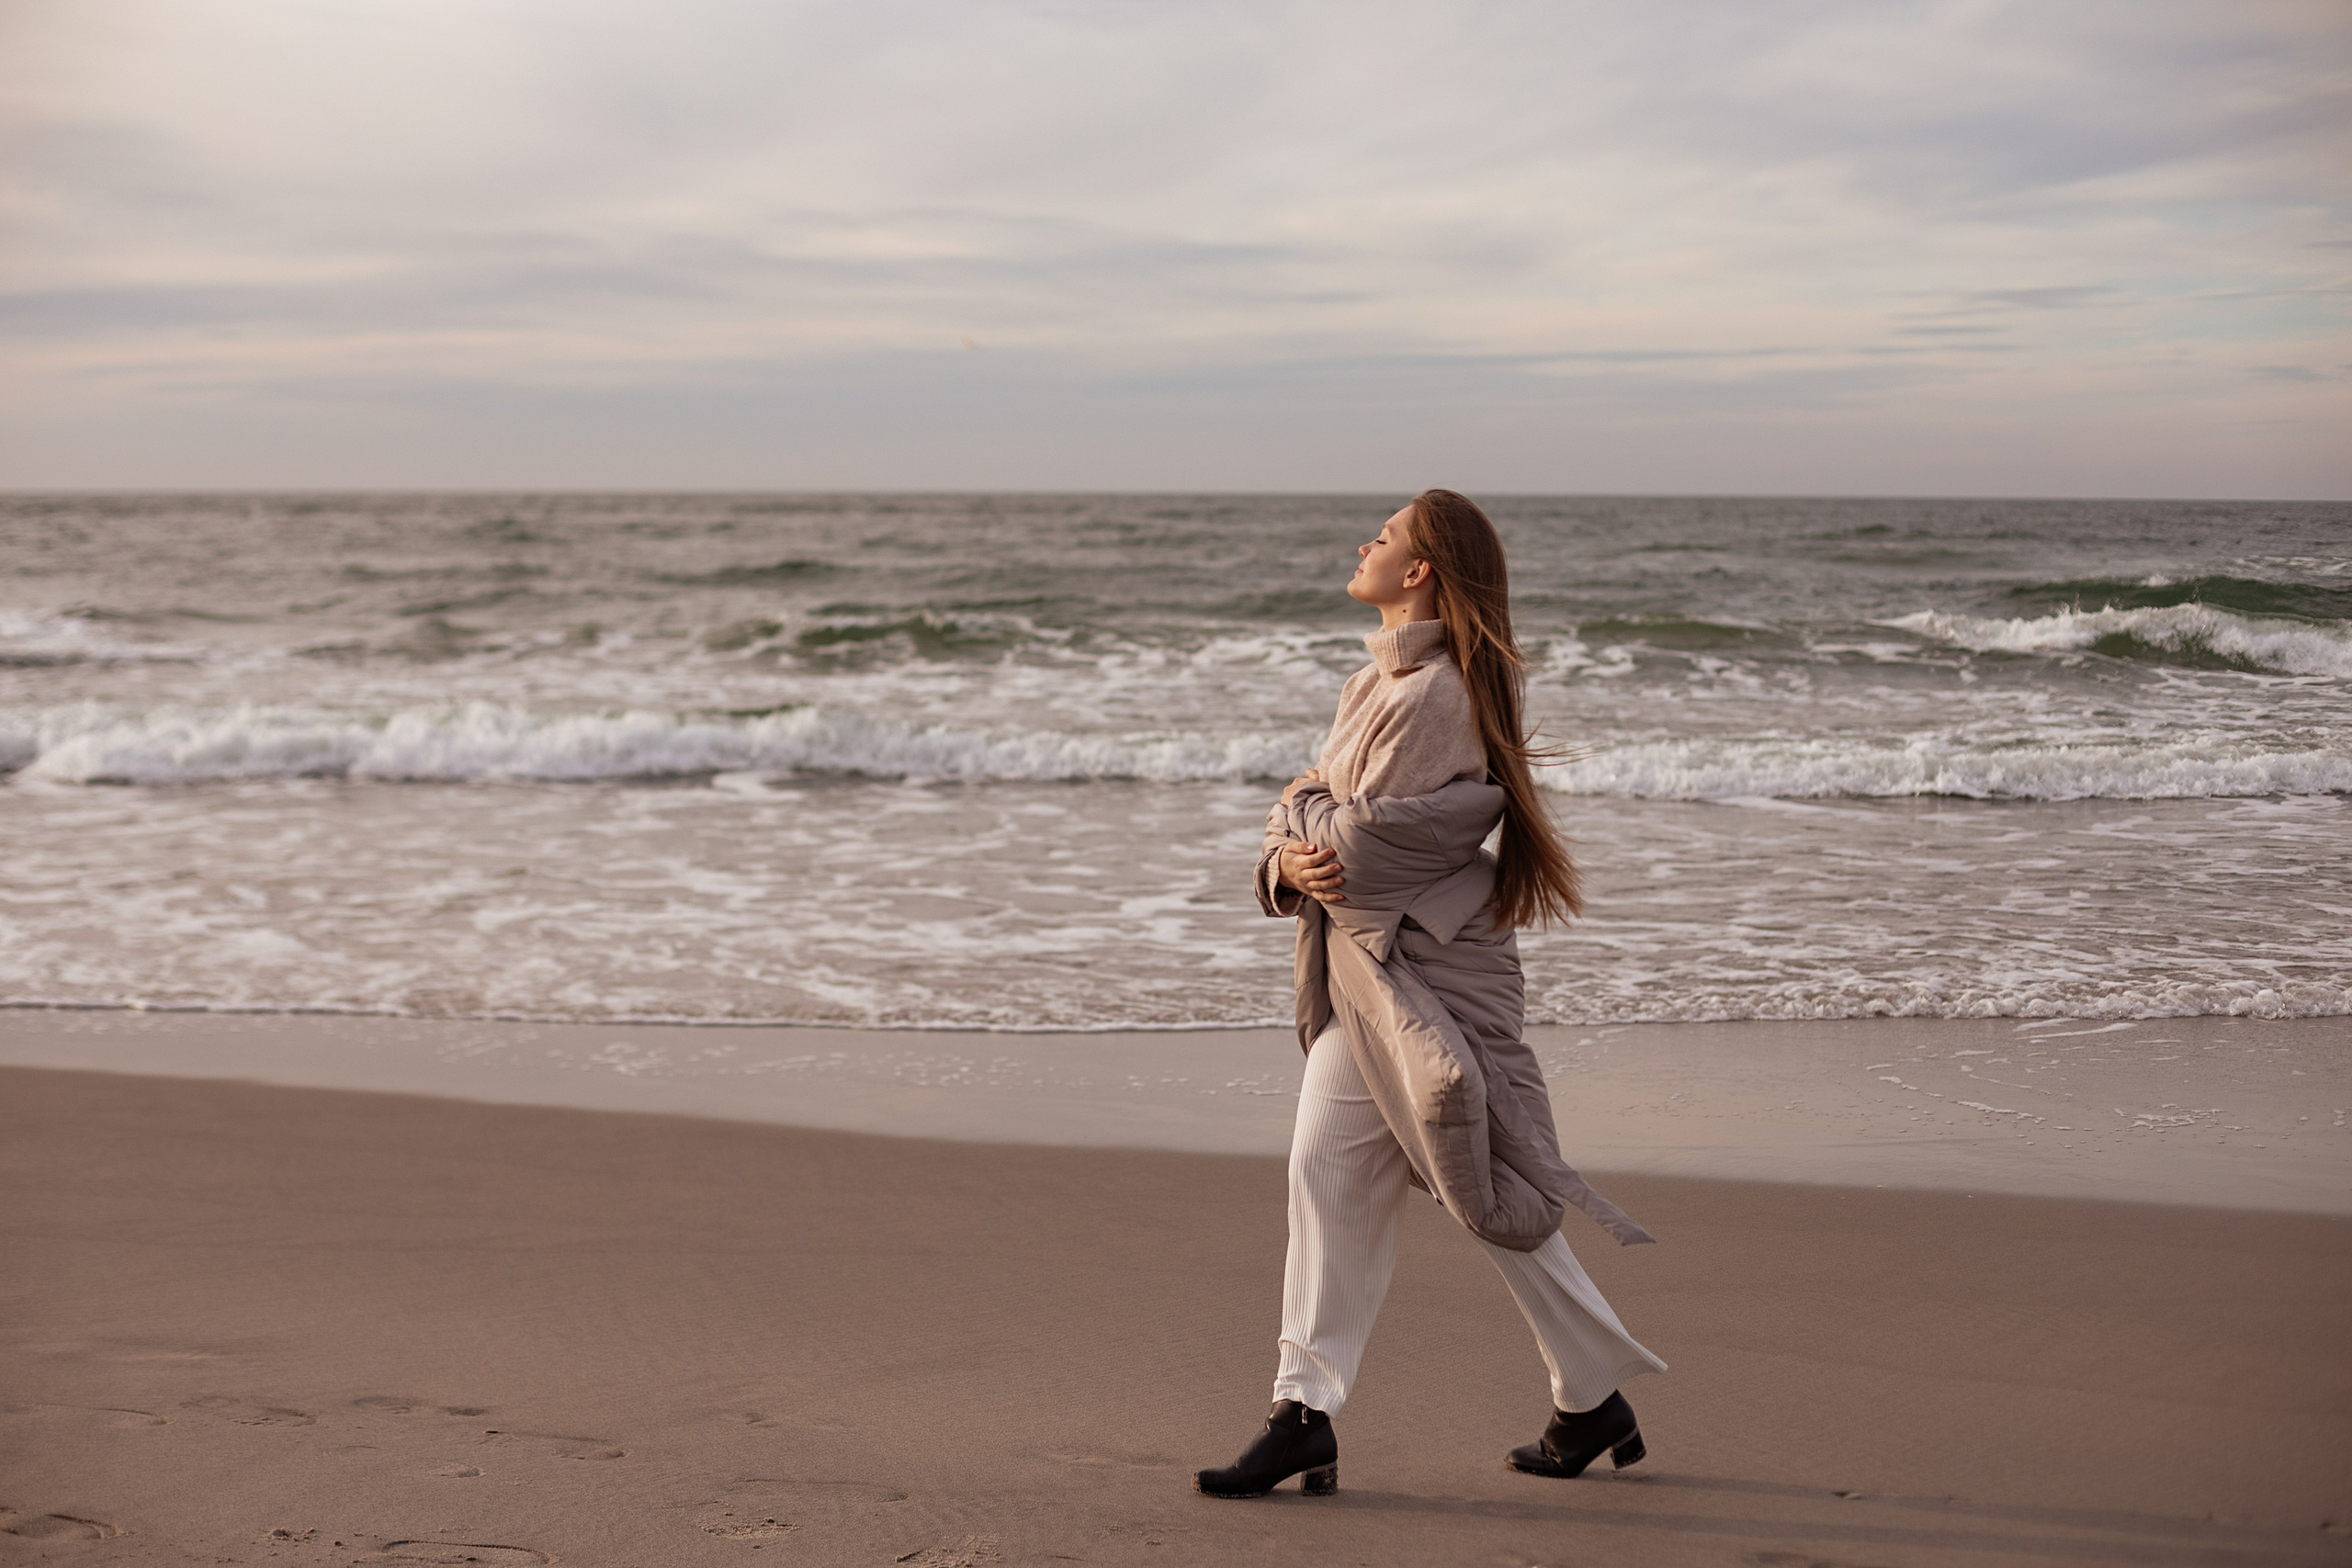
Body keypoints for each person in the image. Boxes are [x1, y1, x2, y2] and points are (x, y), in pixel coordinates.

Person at [1194, 489, 1666, 1500]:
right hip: (1373, 968)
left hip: (1421, 976)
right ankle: (1309, 1413)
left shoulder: (1434, 695)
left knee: (1465, 1183)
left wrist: (1300, 826)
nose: (1363, 543)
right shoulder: (1378, 683)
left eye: (1385, 535)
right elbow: (1313, 824)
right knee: (1338, 1180)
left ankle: (1571, 1397)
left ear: (1417, 572)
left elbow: (1353, 843)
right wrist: (1287, 853)